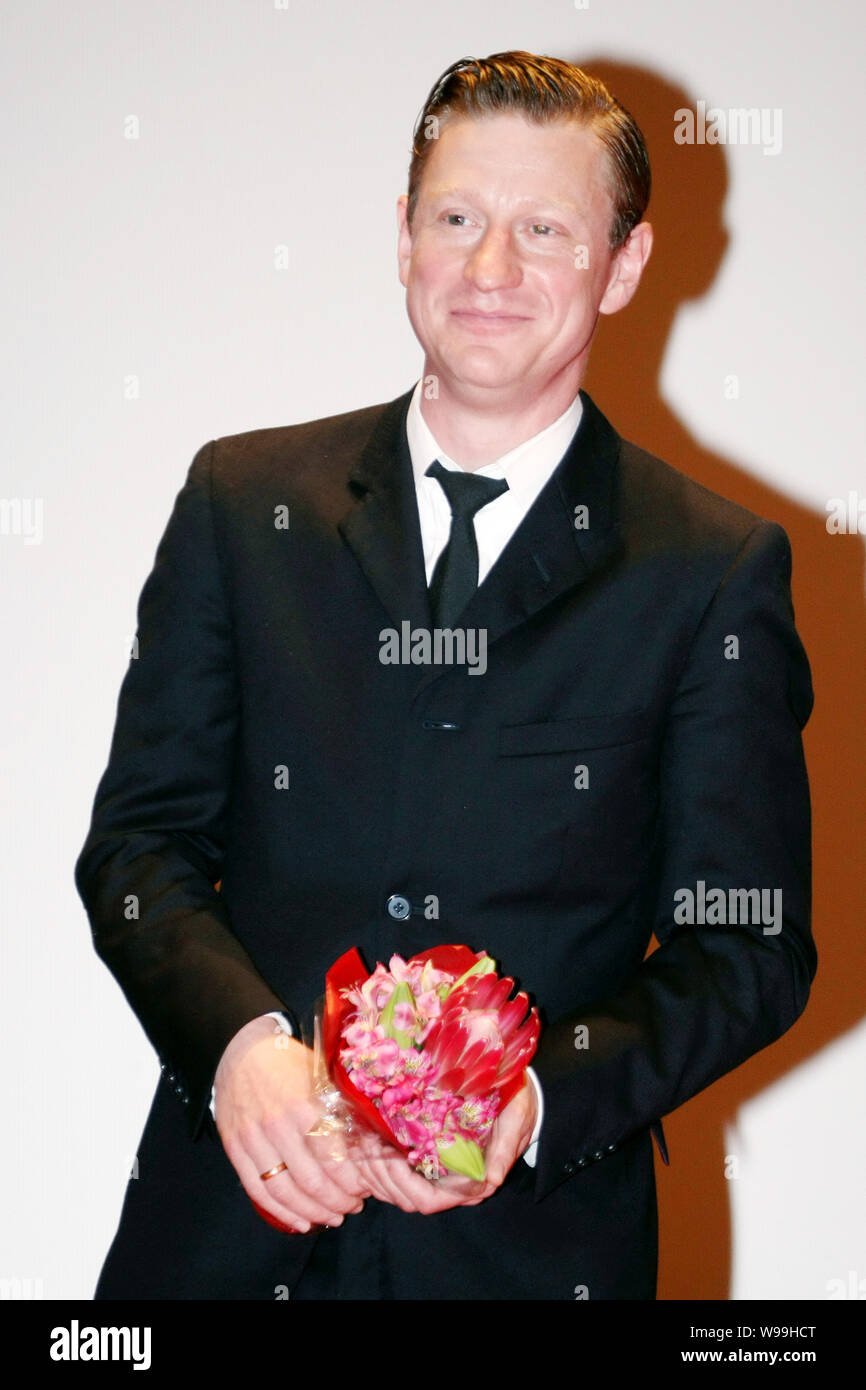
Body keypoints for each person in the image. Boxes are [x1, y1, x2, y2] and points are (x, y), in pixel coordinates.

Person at [75, 51, 816, 1300]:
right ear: (403, 235)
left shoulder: (710, 571)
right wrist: (241, 1050)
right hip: (224, 1241)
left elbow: (746, 946)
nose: (489, 269)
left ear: (622, 264)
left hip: (527, 1259)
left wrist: (535, 1097)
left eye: (543, 229)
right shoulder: (240, 505)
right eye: (457, 218)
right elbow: (137, 848)